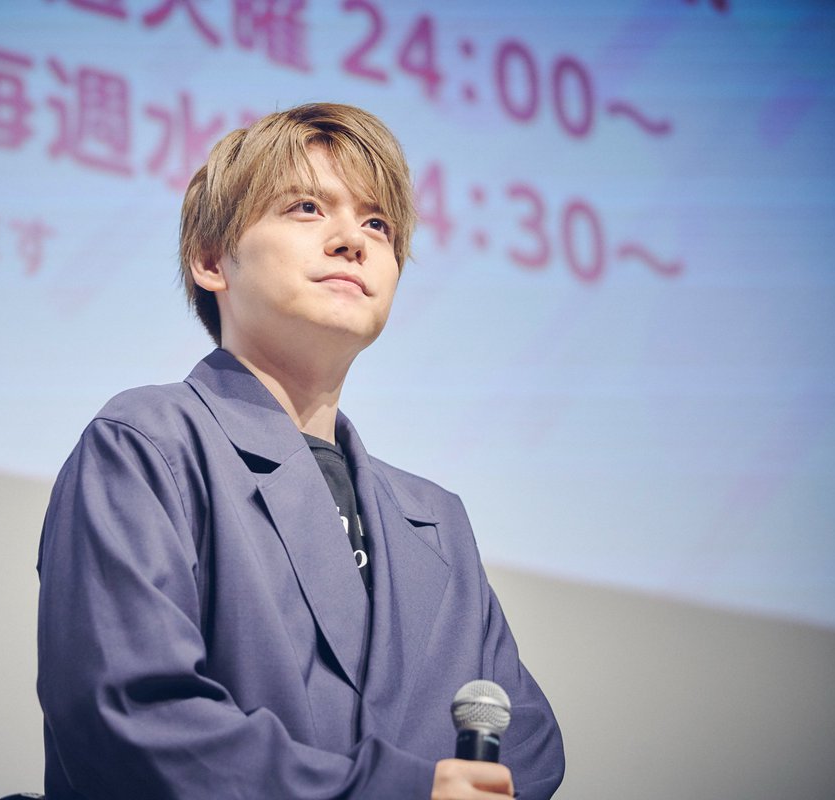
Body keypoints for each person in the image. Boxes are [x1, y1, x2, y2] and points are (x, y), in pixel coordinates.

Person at [37, 102, 564, 799]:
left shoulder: (438, 520)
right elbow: (131, 717)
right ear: (211, 260)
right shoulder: (148, 444)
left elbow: (527, 747)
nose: (353, 241)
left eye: (378, 224)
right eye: (307, 208)